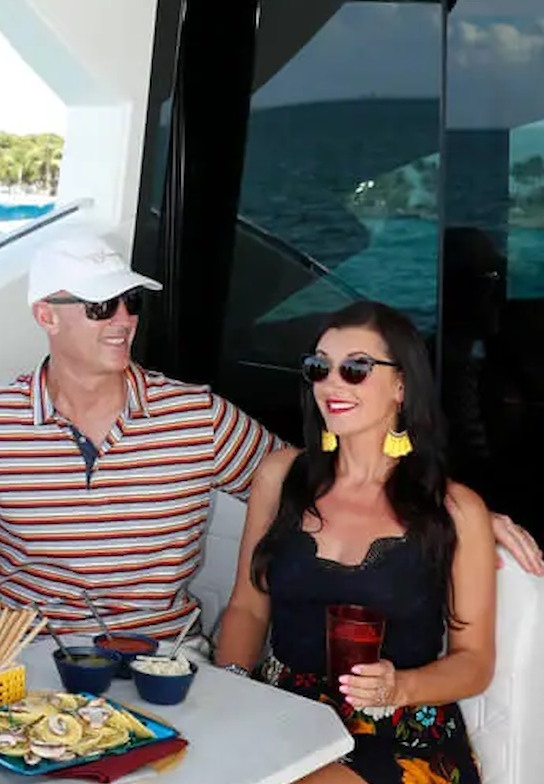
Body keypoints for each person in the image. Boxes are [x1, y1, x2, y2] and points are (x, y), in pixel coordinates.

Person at [0, 232, 544, 659]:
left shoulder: (196, 416)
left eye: (130, 302)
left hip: (161, 667)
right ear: (46, 316)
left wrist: (454, 506)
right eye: (100, 307)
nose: (123, 320)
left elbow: (333, 472)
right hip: (23, 666)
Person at [213, 301, 495, 784]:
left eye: (356, 369)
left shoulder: (455, 510)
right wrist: (231, 690)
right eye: (319, 368)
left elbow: (475, 662)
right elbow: (248, 607)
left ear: (401, 385)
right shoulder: (280, 477)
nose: (332, 384)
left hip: (398, 729)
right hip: (284, 709)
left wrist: (398, 687)